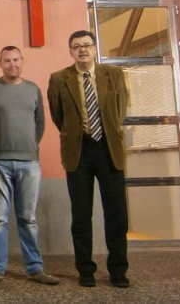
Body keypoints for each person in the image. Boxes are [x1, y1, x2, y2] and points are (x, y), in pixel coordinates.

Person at [47, 30, 130, 289]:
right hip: (79, 151)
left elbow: (121, 109)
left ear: (95, 48)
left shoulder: (113, 74)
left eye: (87, 45)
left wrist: (108, 130)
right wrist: (76, 134)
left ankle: (118, 270)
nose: (82, 50)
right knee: (81, 215)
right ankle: (85, 270)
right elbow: (57, 115)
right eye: (76, 46)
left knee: (116, 213)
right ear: (70, 51)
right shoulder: (59, 79)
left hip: (109, 150)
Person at [0, 47, 59, 286]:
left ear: (22, 61)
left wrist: (30, 147)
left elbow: (40, 123)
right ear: (0, 63)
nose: (12, 64)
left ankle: (35, 268)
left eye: (15, 60)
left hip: (29, 163)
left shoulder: (33, 89)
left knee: (28, 218)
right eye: (6, 61)